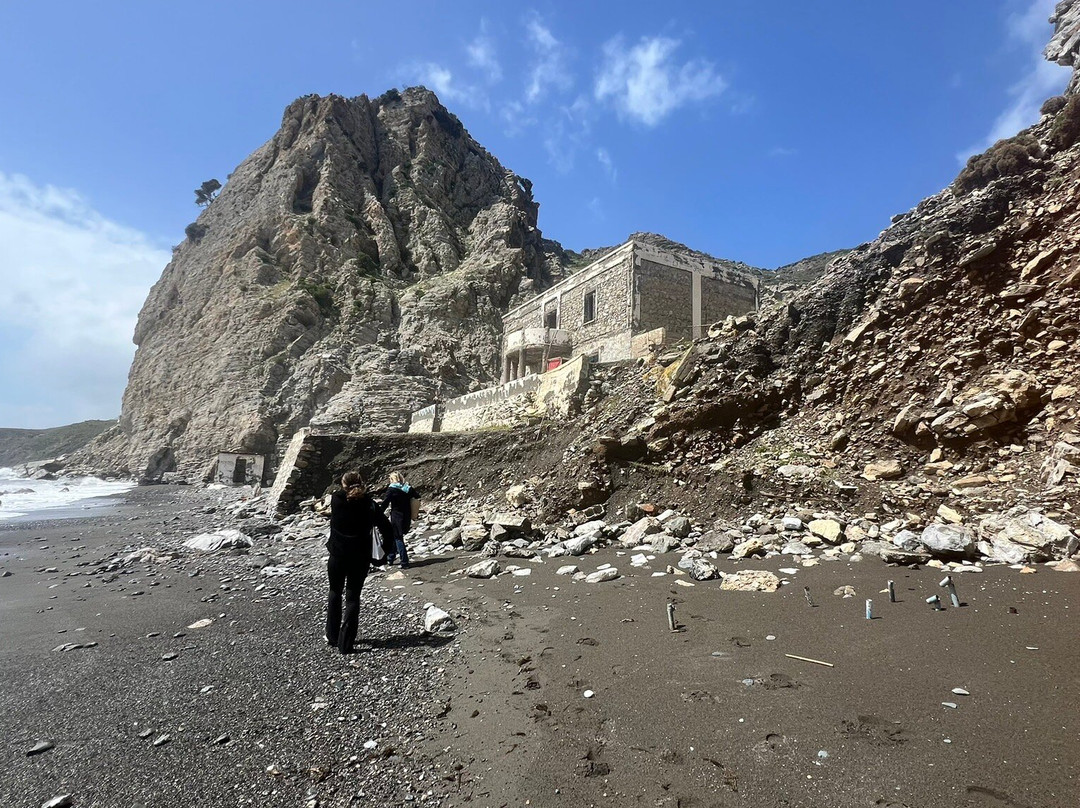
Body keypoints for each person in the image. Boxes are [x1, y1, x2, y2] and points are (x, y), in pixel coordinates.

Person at [326, 471, 393, 654]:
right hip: (360, 557)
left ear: (343, 484)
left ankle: (332, 636)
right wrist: (385, 552)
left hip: (338, 556)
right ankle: (346, 643)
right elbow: (387, 529)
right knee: (353, 597)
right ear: (361, 483)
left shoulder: (336, 500)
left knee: (334, 592)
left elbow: (342, 496)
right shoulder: (369, 504)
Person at [379, 471, 421, 569]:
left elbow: (385, 503)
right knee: (395, 536)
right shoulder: (408, 488)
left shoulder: (391, 489)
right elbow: (417, 496)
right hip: (406, 516)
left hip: (396, 516)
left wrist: (378, 514)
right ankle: (390, 558)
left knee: (398, 538)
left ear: (392, 479)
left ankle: (404, 562)